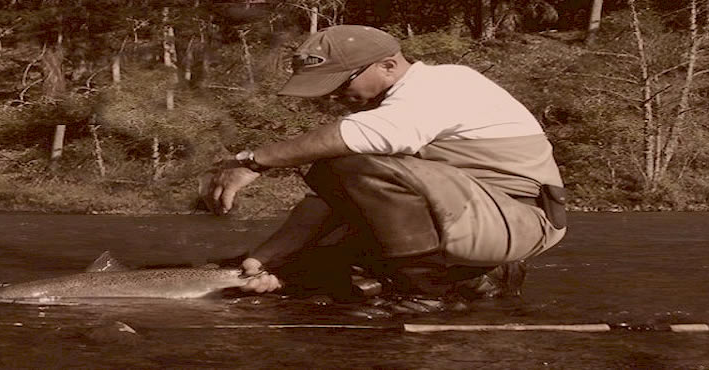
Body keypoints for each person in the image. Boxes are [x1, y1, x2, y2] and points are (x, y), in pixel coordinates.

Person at [201, 25, 568, 302]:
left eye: (340, 85)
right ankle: (465, 277)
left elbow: (351, 148)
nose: (333, 97)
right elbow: (327, 201)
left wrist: (253, 162)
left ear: (388, 66)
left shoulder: (442, 86)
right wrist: (266, 258)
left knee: (346, 165)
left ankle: (424, 294)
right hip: (470, 220)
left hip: (519, 220)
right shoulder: (392, 112)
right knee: (309, 260)